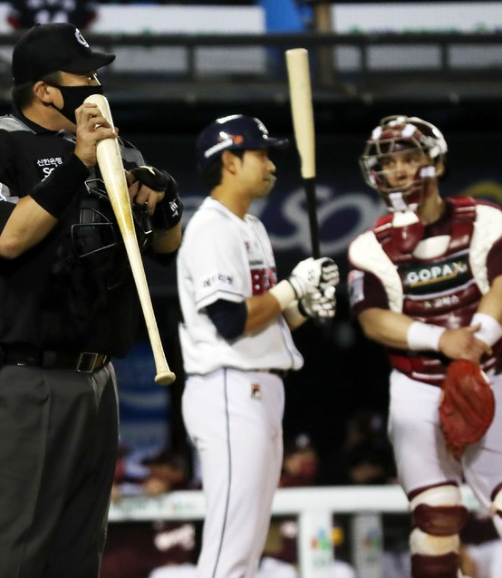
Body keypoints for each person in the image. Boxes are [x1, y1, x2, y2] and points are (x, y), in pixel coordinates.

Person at [0, 22, 182, 578]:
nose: (97, 84)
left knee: (80, 550)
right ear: (45, 90)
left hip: (98, 376)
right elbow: (9, 238)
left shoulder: (117, 148)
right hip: (25, 375)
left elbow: (165, 249)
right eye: (85, 74)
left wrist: (165, 201)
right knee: (14, 551)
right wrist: (78, 161)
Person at [177, 114, 339, 578]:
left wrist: (307, 304)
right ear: (229, 161)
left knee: (247, 545)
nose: (271, 164)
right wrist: (292, 287)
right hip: (228, 389)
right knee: (231, 543)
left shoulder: (250, 227)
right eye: (261, 153)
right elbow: (229, 320)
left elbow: (272, 319)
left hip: (259, 387)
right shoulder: (211, 227)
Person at [347, 115, 502, 578]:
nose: (397, 172)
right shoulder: (369, 247)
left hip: (490, 378)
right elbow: (373, 321)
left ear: (435, 160)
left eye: (408, 158)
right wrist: (443, 340)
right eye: (388, 163)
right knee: (436, 518)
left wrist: (477, 339)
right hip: (418, 386)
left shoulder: (485, 219)